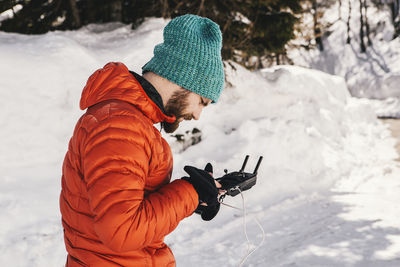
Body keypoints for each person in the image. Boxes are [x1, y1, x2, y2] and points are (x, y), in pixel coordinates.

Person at [60, 14, 225, 266]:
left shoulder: (129, 121)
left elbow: (128, 212)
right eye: (201, 101)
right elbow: (121, 232)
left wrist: (196, 197)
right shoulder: (120, 126)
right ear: (182, 78)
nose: (197, 114)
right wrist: (189, 192)